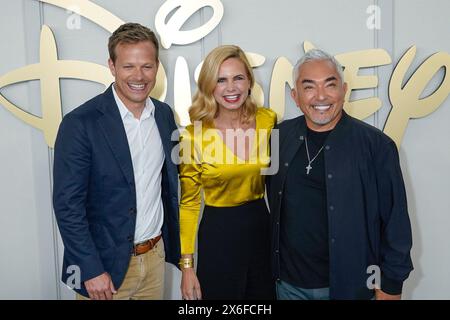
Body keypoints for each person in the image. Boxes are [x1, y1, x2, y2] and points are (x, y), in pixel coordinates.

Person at [267, 49, 413, 300]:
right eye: (309, 87)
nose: (321, 96)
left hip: (351, 287)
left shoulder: (376, 146)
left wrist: (390, 287)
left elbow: (395, 223)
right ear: (295, 96)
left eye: (330, 85)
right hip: (288, 287)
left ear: (344, 90)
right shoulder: (278, 138)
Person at [53, 23, 180, 300]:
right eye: (128, 66)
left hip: (155, 259)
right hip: (104, 270)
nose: (139, 76)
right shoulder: (80, 123)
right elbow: (67, 205)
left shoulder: (163, 115)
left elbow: (168, 185)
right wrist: (90, 269)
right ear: (111, 66)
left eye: (147, 66)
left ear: (157, 66)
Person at [178, 45, 276, 300]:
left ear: (249, 82)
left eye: (238, 78)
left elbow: (278, 184)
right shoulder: (192, 137)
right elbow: (188, 205)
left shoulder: (268, 121)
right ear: (209, 85)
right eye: (221, 80)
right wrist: (187, 266)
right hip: (218, 234)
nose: (231, 88)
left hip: (261, 230)